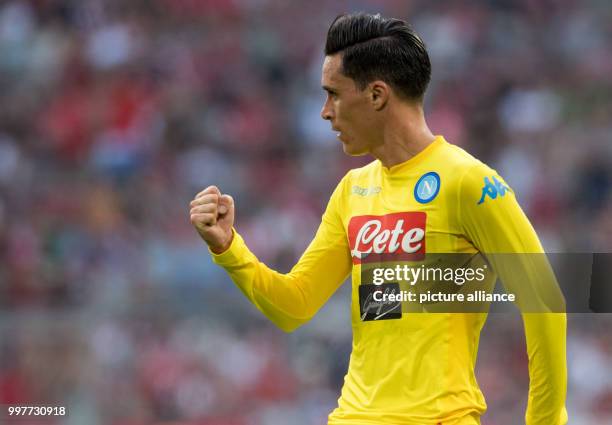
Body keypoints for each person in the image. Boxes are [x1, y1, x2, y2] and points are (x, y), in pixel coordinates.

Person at [189, 13, 567, 425]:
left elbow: (543, 300)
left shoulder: (468, 182)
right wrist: (228, 248)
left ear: (376, 95)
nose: (324, 112)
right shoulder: (353, 190)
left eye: (333, 94)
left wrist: (545, 421)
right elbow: (293, 305)